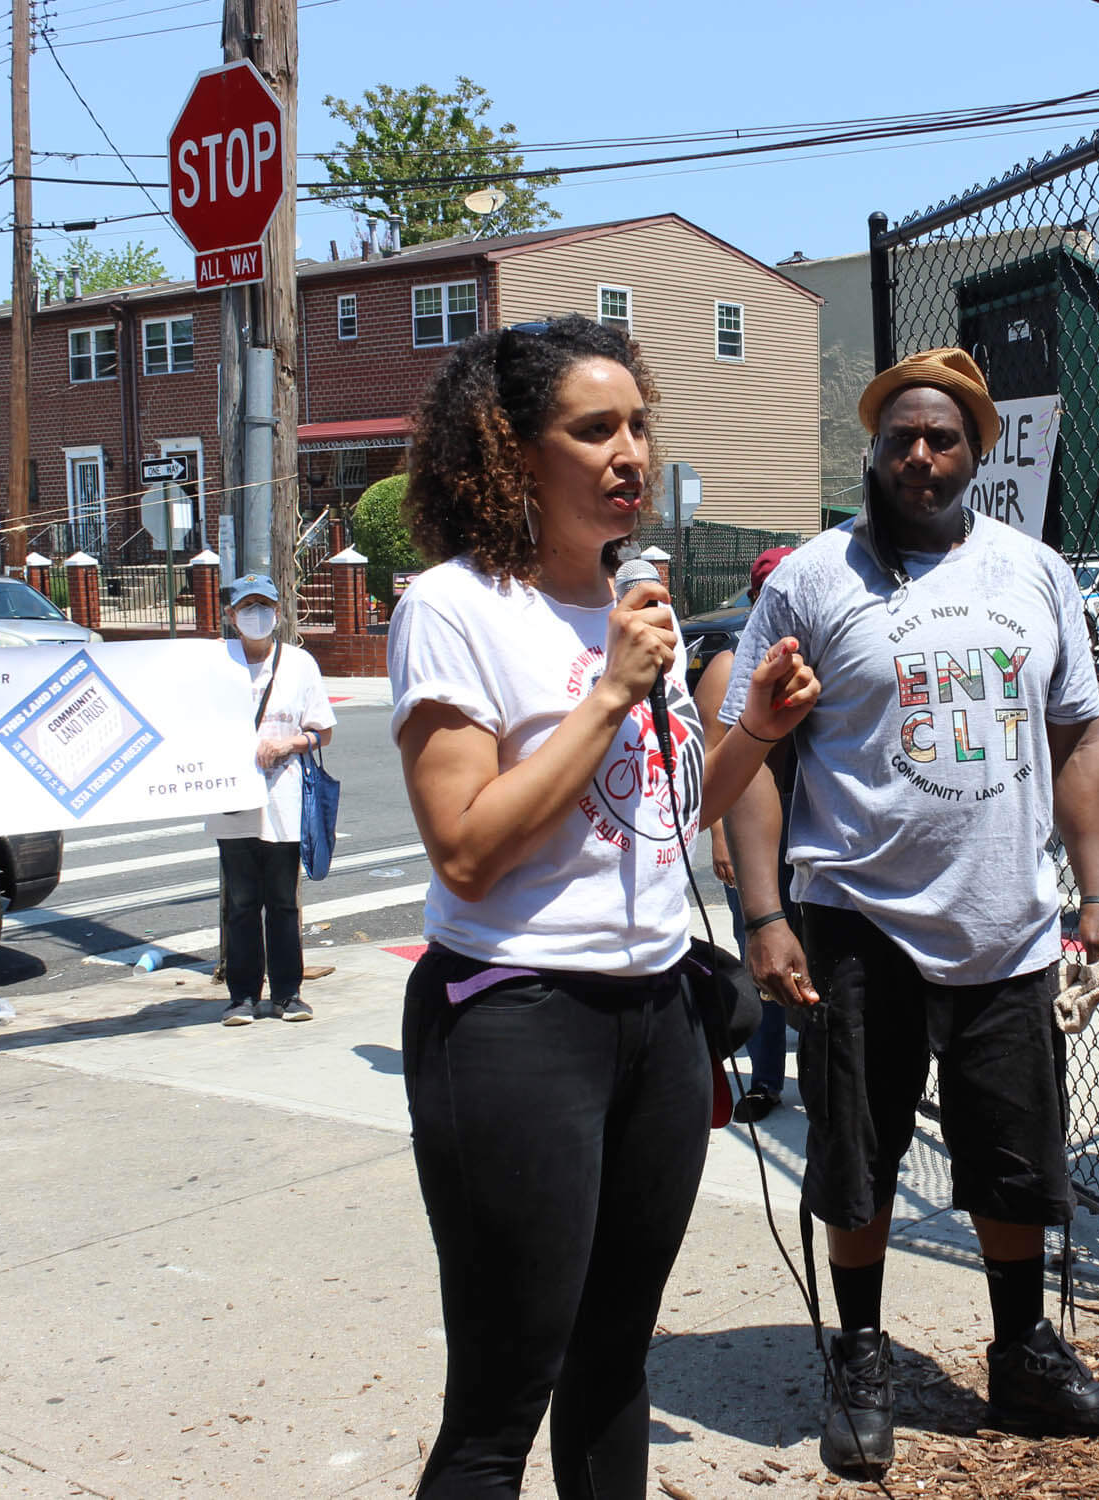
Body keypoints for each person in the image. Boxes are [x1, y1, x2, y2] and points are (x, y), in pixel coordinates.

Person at [388, 314, 818, 1499]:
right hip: (516, 1020)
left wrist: (756, 735)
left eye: (638, 424)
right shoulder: (456, 607)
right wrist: (612, 692)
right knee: (501, 1396)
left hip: (658, 1022)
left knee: (613, 1362)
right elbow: (467, 850)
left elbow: (661, 817)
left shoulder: (636, 613)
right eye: (596, 429)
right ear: (515, 453)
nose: (630, 451)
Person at [719, 348, 1099, 1478]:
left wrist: (1096, 893)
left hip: (1007, 923)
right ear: (872, 448)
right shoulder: (810, 581)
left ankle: (1020, 1360)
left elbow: (1078, 733)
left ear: (978, 453)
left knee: (1014, 1163)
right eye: (900, 436)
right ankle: (859, 1355)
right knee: (856, 1159)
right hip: (859, 919)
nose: (919, 455)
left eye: (943, 438)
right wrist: (764, 914)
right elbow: (752, 754)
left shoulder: (1037, 573)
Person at [692, 544, 794, 1122]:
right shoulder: (730, 666)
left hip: (810, 828)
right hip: (753, 827)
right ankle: (767, 1079)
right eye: (769, 594)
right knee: (760, 947)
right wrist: (723, 840)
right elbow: (713, 751)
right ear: (756, 598)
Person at [205, 574, 335, 1026]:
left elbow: (324, 730)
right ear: (231, 615)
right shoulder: (215, 664)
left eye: (265, 606)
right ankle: (242, 997)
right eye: (247, 607)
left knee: (282, 900)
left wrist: (288, 745)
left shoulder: (299, 664)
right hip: (232, 803)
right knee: (240, 902)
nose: (256, 615)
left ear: (278, 613)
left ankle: (288, 994)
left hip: (283, 802)